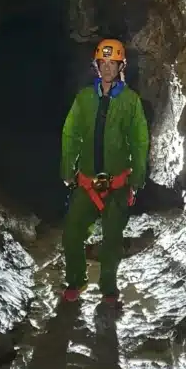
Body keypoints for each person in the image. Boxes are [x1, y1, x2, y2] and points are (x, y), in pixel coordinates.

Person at [60, 38, 149, 307]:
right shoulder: (84, 98)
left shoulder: (131, 101)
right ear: (96, 65)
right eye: (103, 62)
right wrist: (67, 168)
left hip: (117, 183)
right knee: (72, 233)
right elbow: (71, 134)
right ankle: (76, 280)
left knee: (112, 239)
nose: (108, 67)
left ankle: (109, 287)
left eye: (113, 63)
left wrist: (137, 178)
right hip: (87, 182)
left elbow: (139, 141)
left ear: (122, 66)